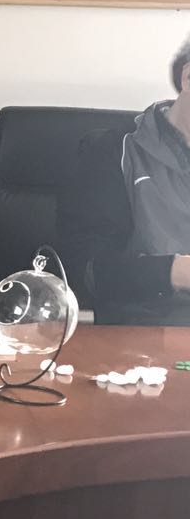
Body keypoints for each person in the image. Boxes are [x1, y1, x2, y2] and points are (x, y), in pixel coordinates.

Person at [58, 37, 190, 325]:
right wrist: (176, 271)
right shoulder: (112, 152)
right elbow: (87, 271)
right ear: (187, 77)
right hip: (143, 328)